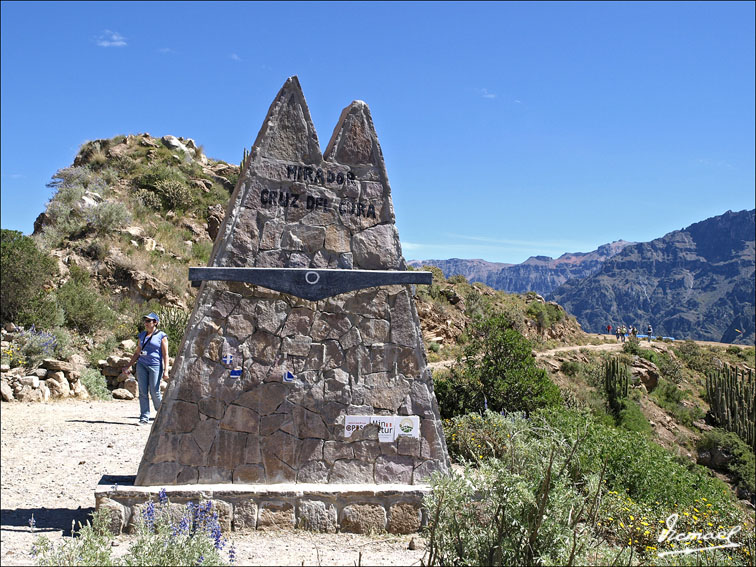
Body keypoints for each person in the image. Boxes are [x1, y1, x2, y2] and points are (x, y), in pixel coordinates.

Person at [123, 313, 168, 425]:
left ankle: (162, 415)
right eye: (145, 321)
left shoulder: (162, 336)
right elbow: (138, 351)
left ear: (155, 322)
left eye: (149, 321)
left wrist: (166, 370)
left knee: (154, 391)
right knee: (142, 392)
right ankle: (144, 417)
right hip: (142, 364)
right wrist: (128, 365)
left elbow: (165, 354)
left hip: (155, 365)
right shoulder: (142, 335)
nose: (146, 323)